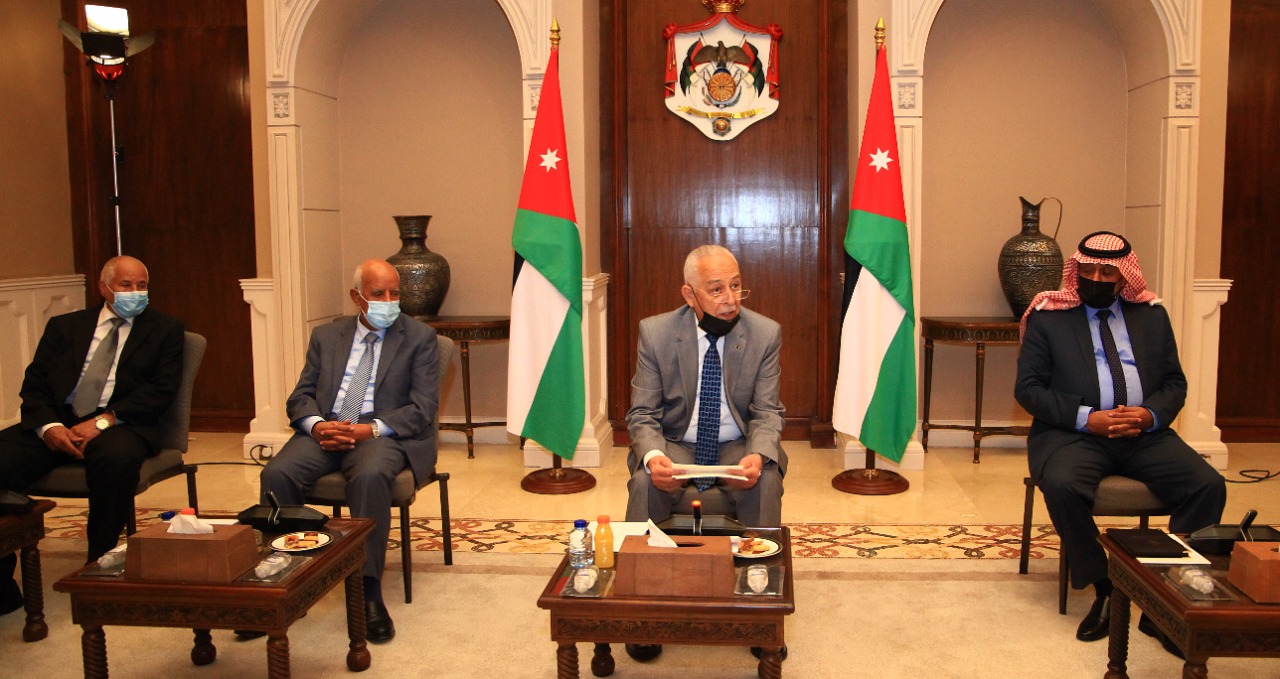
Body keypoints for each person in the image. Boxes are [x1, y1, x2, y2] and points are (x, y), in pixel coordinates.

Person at [1015, 231, 1225, 653]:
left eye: (1106, 272)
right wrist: (1086, 418)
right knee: (1062, 485)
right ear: (1076, 271)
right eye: (1088, 270)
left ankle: (1164, 595)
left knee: (1207, 485)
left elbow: (1174, 383)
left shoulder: (1151, 316)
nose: (1095, 279)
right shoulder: (1049, 317)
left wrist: (1148, 415)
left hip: (1143, 434)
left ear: (1123, 276)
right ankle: (1106, 587)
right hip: (1074, 434)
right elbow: (1029, 389)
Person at [257, 259, 437, 644]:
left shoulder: (419, 337)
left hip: (380, 434)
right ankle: (287, 579)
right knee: (276, 474)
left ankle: (368, 591)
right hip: (328, 427)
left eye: (395, 293)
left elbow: (422, 408)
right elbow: (301, 396)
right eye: (378, 294)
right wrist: (317, 425)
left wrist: (367, 429)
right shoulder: (327, 336)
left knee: (370, 476)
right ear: (357, 297)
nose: (388, 301)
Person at [623, 244, 787, 662]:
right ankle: (642, 611)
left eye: (736, 286)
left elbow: (767, 413)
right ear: (689, 294)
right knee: (645, 481)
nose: (730, 299)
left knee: (766, 479)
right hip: (677, 442)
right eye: (716, 290)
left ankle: (761, 608)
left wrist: (758, 455)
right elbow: (643, 413)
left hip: (736, 444)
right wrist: (653, 457)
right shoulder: (656, 333)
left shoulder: (764, 333)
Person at [0, 256, 184, 615]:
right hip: (60, 419)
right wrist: (49, 427)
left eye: (141, 285)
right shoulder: (64, 327)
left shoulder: (165, 329)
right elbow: (35, 384)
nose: (135, 292)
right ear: (104, 287)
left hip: (123, 422)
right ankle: (3, 584)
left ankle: (99, 566)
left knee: (115, 460)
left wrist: (102, 422)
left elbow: (160, 392)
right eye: (126, 285)